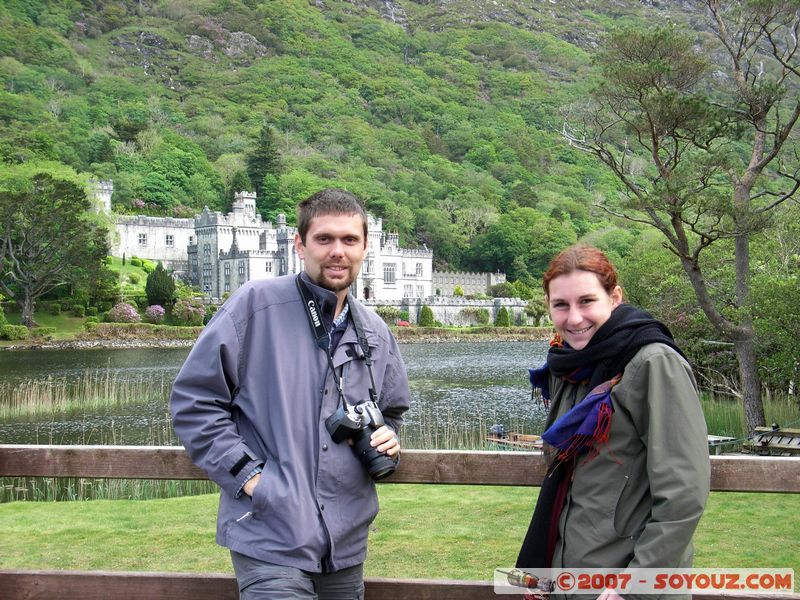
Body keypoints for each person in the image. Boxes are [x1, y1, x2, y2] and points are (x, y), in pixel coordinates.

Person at [170, 188, 410, 600]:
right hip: (270, 536)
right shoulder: (254, 306)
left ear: (366, 247)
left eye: (349, 239)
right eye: (324, 239)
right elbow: (195, 401)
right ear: (299, 245)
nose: (338, 251)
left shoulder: (375, 331)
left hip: (345, 544)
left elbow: (392, 411)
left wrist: (388, 436)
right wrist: (250, 477)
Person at [516, 244, 710, 599]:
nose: (574, 318)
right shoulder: (567, 366)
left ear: (614, 297)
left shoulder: (653, 363)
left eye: (586, 301)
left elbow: (683, 492)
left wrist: (634, 586)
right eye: (561, 305)